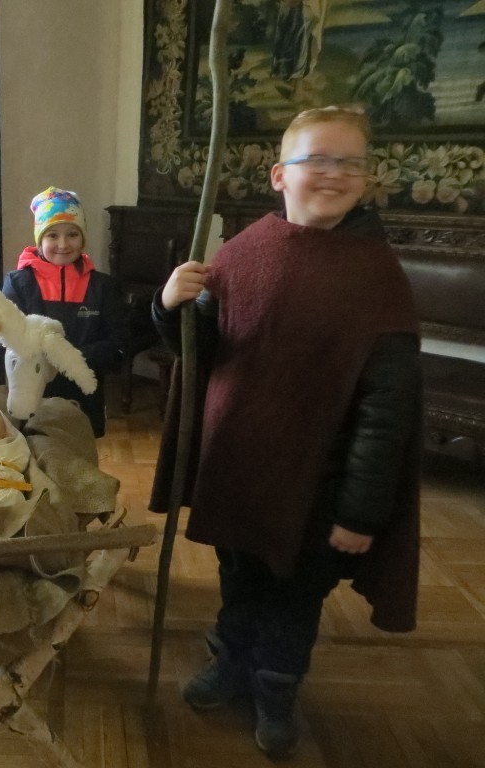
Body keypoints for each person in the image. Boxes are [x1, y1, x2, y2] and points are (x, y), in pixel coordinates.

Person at [150, 106, 422, 759]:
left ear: (366, 177)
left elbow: (387, 409)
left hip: (318, 488)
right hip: (241, 470)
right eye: (317, 159)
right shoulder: (245, 251)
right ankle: (231, 661)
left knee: (294, 597)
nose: (334, 173)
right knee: (239, 578)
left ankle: (276, 688)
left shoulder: (376, 277)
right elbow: (203, 350)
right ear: (279, 174)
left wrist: (360, 512)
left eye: (350, 162)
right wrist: (170, 306)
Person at [2, 187, 126, 438]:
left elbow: (119, 344)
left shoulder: (104, 286)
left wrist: (70, 357)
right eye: (52, 235)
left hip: (85, 397)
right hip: (31, 398)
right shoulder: (17, 283)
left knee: (81, 456)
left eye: (72, 234)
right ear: (40, 240)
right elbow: (3, 340)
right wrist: (42, 359)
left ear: (83, 238)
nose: (63, 244)